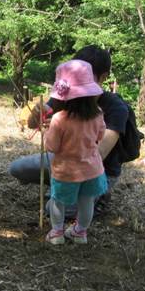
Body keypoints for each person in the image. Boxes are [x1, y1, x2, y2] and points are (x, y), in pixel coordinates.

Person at [9, 45, 128, 215]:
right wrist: (37, 114)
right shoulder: (65, 95)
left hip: (94, 168)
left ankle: (99, 193)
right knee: (17, 169)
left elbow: (99, 153)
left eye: (84, 77)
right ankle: (62, 186)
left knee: (54, 210)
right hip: (64, 161)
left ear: (103, 77)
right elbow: (32, 125)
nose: (76, 82)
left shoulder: (116, 108)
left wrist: (61, 130)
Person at [43, 60, 107, 245]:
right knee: (86, 202)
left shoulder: (59, 119)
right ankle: (80, 232)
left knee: (58, 200)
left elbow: (52, 147)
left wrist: (47, 132)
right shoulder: (98, 114)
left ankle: (57, 233)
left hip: (66, 171)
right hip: (92, 168)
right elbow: (100, 135)